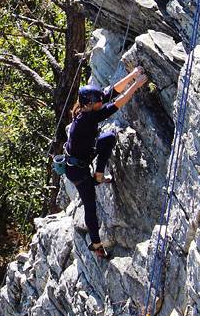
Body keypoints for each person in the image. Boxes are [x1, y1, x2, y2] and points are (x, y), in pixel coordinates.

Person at [63, 65, 149, 258]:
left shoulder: (86, 108)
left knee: (109, 137)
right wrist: (136, 85)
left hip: (83, 157)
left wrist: (133, 75)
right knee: (90, 206)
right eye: (98, 102)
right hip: (77, 171)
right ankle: (95, 244)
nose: (101, 103)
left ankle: (99, 175)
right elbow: (117, 103)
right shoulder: (86, 119)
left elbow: (110, 93)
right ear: (90, 104)